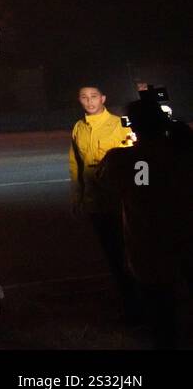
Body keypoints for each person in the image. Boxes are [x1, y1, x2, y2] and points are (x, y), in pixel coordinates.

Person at [96, 92, 186, 347]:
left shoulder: (123, 160)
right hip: (184, 238)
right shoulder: (181, 154)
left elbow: (103, 180)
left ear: (134, 126)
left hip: (148, 247)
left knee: (161, 313)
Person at [68, 85, 137, 317]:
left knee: (130, 254)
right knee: (112, 255)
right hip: (95, 204)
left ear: (104, 98)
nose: (89, 101)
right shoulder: (78, 128)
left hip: (118, 202)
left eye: (94, 96)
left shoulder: (119, 124)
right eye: (84, 98)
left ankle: (138, 303)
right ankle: (127, 301)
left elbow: (133, 159)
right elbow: (76, 164)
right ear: (80, 101)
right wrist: (78, 197)